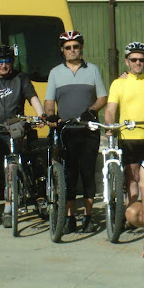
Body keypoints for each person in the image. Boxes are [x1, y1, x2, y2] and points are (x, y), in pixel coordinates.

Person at [0, 44, 44, 229]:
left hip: (14, 129)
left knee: (12, 172)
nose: (4, 65)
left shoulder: (21, 77)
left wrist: (41, 115)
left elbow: (33, 97)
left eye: (8, 61)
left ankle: (8, 211)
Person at [44, 31, 108, 234]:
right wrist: (50, 115)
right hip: (67, 130)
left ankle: (88, 217)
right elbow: (49, 101)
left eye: (76, 46)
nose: (72, 50)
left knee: (88, 172)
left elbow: (103, 97)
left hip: (88, 129)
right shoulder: (55, 72)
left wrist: (92, 110)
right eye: (68, 47)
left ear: (81, 48)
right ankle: (70, 217)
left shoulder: (93, 70)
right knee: (69, 174)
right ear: (62, 51)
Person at [104, 42, 144, 204]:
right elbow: (110, 109)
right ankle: (132, 210)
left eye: (141, 59)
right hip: (128, 137)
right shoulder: (118, 83)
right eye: (133, 60)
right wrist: (109, 126)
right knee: (131, 176)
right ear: (127, 62)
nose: (137, 63)